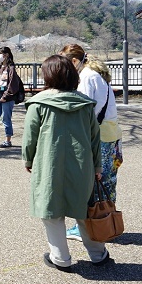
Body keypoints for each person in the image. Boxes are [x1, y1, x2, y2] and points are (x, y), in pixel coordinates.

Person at [22, 54, 111, 271]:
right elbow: (94, 140)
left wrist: (28, 159)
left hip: (48, 164)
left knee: (51, 211)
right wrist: (98, 167)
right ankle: (98, 254)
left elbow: (30, 138)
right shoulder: (85, 105)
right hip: (83, 166)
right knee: (84, 211)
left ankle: (60, 257)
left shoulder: (38, 103)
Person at [60, 44, 124, 242]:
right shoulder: (95, 74)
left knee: (94, 181)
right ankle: (105, 222)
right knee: (106, 182)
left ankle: (91, 226)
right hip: (110, 134)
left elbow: (86, 112)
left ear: (74, 62)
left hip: (100, 137)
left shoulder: (87, 77)